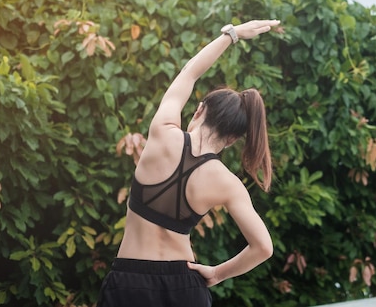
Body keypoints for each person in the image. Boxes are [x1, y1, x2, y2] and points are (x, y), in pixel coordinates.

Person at [97, 19, 280, 307]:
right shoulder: (228, 184)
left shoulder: (162, 133)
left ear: (199, 111)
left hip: (129, 285)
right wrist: (217, 273)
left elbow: (190, 72)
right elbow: (263, 247)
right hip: (184, 289)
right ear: (232, 140)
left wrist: (232, 34)